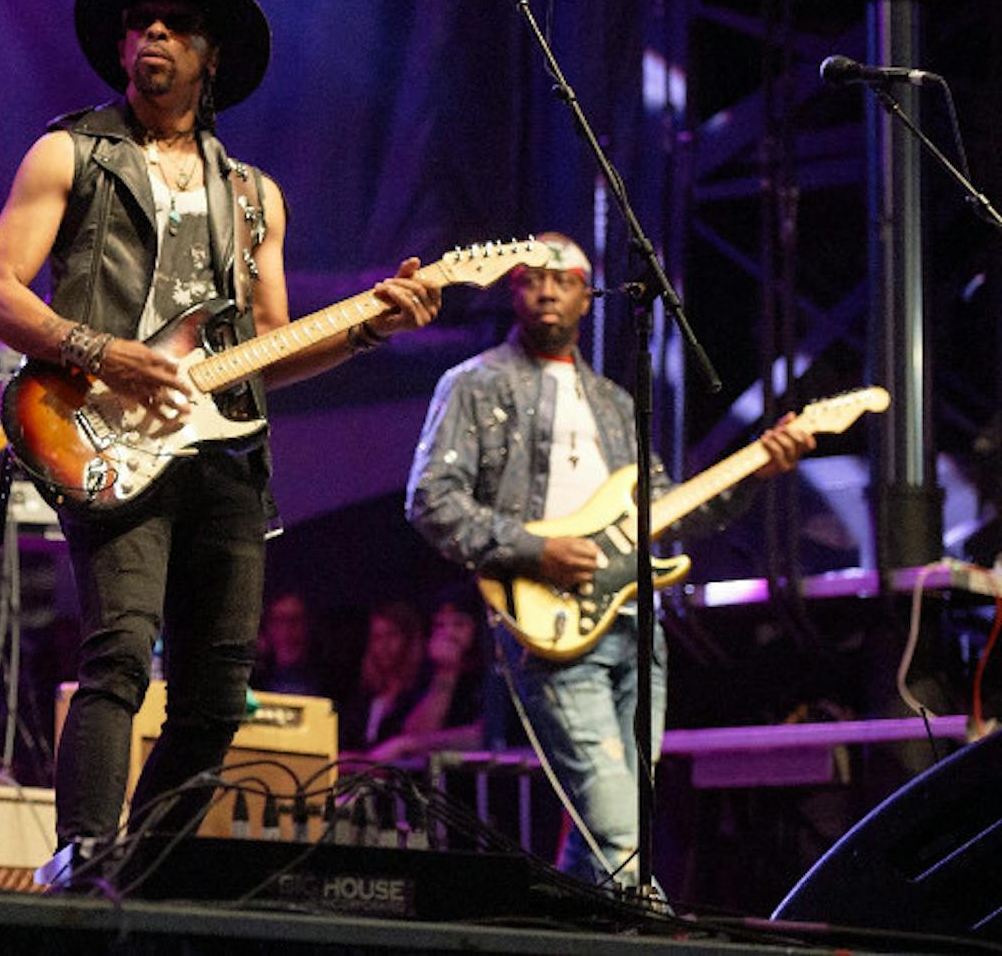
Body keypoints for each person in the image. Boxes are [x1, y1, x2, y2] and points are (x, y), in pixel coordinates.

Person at [0, 0, 443, 884]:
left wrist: (365, 333)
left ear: (210, 56)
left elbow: (271, 345)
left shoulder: (255, 196)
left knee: (218, 695)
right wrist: (106, 353)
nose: (152, 34)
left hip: (224, 454)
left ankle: (136, 869)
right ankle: (81, 857)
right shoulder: (71, 152)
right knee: (116, 653)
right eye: (140, 20)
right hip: (101, 429)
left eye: (176, 24)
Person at [405, 234, 812, 885]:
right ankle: (652, 935)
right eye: (530, 276)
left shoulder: (617, 404)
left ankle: (577, 929)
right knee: (619, 828)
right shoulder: (475, 383)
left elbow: (671, 510)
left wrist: (758, 468)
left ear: (586, 295)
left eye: (561, 277)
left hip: (632, 620)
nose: (544, 288)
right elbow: (431, 499)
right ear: (512, 288)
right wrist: (538, 548)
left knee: (611, 829)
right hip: (550, 627)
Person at [365, 589, 486, 762]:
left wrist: (408, 743)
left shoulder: (493, 676)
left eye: (459, 624)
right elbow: (413, 733)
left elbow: (483, 735)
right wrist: (446, 672)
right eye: (440, 625)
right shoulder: (425, 675)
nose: (448, 634)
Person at [338, 600, 425, 755]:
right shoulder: (364, 697)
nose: (384, 645)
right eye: (377, 637)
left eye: (391, 635)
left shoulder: (419, 693)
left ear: (408, 639)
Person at [249, 590, 328, 698]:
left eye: (294, 620)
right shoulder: (253, 677)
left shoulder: (329, 676)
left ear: (308, 624)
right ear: (268, 627)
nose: (287, 630)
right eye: (279, 621)